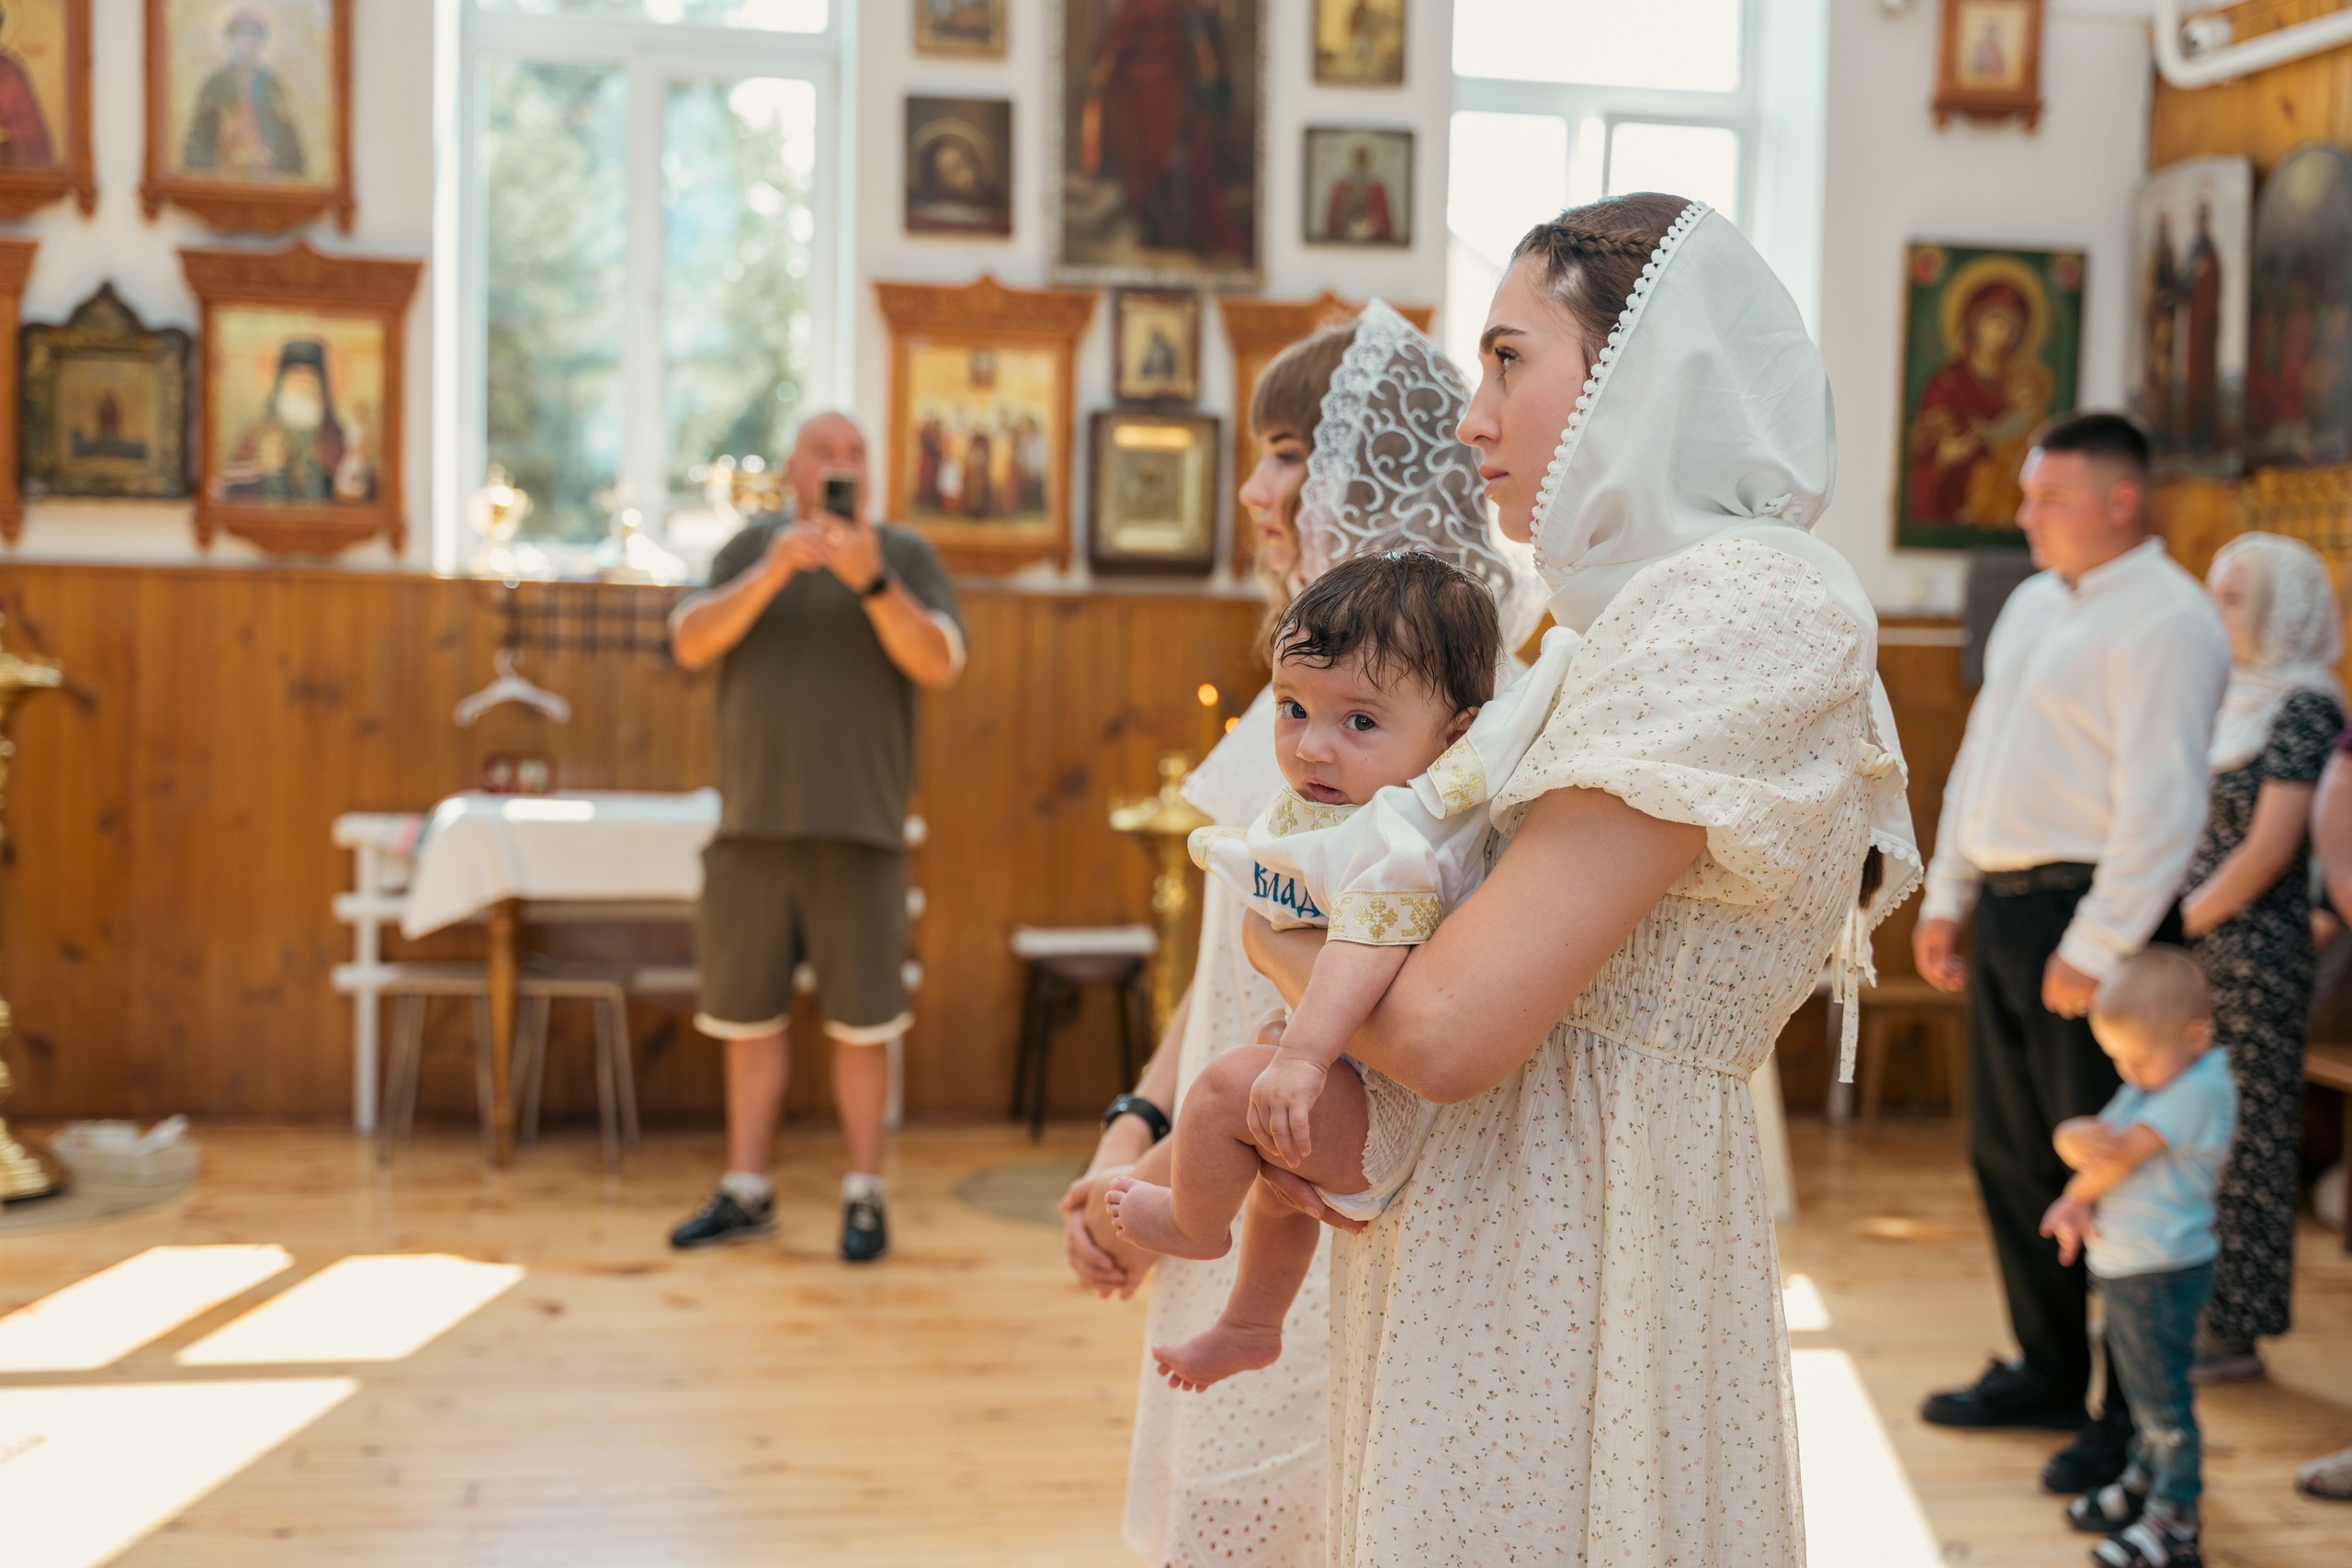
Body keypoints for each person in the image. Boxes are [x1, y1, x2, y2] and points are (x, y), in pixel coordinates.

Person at [1242, 192, 1919, 1562]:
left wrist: (1278, 937)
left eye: (1507, 359)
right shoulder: (1600, 619)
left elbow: (1442, 1027)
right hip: (1505, 1210)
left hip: (1587, 1223)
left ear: (1640, 372)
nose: (1471, 416)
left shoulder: (1747, 605)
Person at [1061, 302, 1540, 1568]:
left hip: (1324, 1148)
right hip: (1236, 1116)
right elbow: (1231, 955)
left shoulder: (1454, 708)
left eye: (1286, 449)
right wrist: (1139, 1126)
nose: (1255, 485)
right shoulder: (1319, 680)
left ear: (1365, 460)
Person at [1110, 554, 1567, 1390]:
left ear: (1456, 733)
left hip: (1395, 1109)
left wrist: (1300, 1056)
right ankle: (1251, 1322)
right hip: (1371, 1089)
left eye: (1359, 722)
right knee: (1277, 1183)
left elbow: (1366, 945)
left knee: (1224, 1094)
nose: (1312, 745)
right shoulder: (1360, 809)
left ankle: (1190, 1224)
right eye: (1293, 708)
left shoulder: (1401, 837)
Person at [1915, 412, 2232, 1495]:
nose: (2022, 515)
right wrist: (1949, 892)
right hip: (2008, 904)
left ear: (2120, 500)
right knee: (2008, 1154)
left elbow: (2164, 801)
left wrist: (2095, 945)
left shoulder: (2170, 620)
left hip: (2093, 915)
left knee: (2102, 1165)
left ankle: (2120, 1415)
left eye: (2046, 498)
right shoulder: (2036, 603)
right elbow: (1981, 759)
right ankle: (2046, 1371)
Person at [664, 412, 966, 1262]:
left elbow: (939, 661)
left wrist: (869, 581)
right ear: (792, 471)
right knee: (746, 1021)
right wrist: (770, 573)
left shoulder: (902, 554)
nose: (840, 465)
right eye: (824, 453)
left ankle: (864, 1193)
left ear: (871, 473)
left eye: (854, 453)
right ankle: (747, 1189)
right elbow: (689, 642)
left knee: (863, 1026)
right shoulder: (748, 548)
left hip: (862, 832)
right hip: (752, 829)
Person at [2176, 532, 2345, 1383]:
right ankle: (2168, 1298)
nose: (2217, 612)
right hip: (2192, 942)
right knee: (2176, 1124)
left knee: (2246, 1135)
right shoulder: (2224, 692)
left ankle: (2234, 1326)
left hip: (2254, 952)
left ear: (2284, 610)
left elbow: (2270, 848)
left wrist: (2177, 924)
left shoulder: (2308, 704)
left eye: (2235, 598)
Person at [2040, 946, 2236, 1568]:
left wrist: (2072, 1190)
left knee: (2163, 1406)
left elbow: (2116, 1153)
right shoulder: (2157, 1078)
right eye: (2118, 1057)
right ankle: (2143, 1485)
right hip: (2131, 1268)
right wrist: (2070, 1138)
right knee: (2144, 1393)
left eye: (2138, 1057)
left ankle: (2175, 1521)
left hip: (2160, 1271)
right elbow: (2100, 1137)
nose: (2128, 1070)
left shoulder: (2199, 1087)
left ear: (2195, 1035)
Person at [182, 9, 305, 179]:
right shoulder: (215, 84)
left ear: (261, 44)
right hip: (223, 169)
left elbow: (286, 134)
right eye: (241, 39)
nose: (247, 46)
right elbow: (200, 134)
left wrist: (279, 160)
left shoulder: (271, 84)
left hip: (264, 171)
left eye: (253, 39)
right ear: (230, 42)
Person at [221, 341, 346, 502]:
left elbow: (357, 492)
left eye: (310, 378)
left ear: (321, 387)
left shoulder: (336, 436)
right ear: (280, 385)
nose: (303, 382)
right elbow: (233, 484)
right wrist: (263, 467)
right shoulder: (257, 432)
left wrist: (320, 466)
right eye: (295, 376)